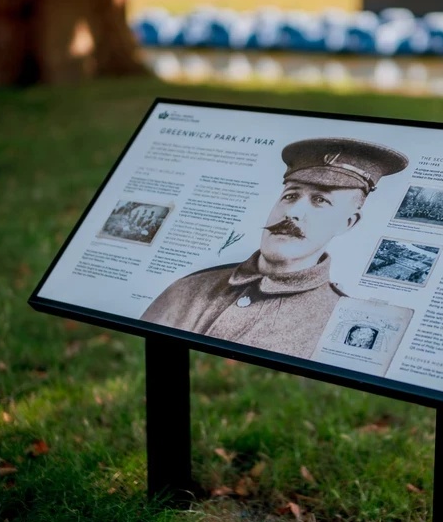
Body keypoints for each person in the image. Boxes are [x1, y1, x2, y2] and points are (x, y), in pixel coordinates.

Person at [140, 137, 408, 360]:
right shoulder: (188, 288)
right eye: (290, 196)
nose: (293, 212)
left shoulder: (339, 321)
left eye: (320, 201)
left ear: (347, 223)